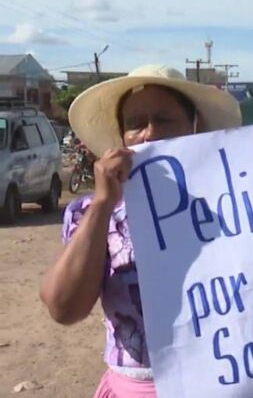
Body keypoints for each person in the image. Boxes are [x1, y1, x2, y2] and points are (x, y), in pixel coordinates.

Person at [39, 65, 241, 398]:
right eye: (135, 124)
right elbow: (64, 307)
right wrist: (103, 206)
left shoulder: (239, 202)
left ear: (196, 126)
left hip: (232, 381)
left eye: (164, 120)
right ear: (122, 137)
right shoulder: (94, 213)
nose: (149, 133)